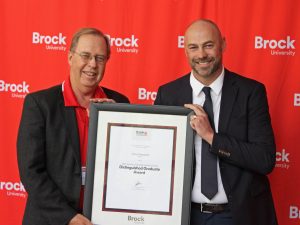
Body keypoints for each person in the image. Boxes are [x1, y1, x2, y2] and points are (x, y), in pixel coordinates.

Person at [154, 19, 278, 225]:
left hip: (237, 215)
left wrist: (211, 137)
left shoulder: (251, 92)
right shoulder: (168, 94)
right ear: (185, 51)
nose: (201, 55)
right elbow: (155, 154)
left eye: (208, 45)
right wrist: (115, 115)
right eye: (193, 47)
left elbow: (265, 159)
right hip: (184, 216)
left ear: (223, 45)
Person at [17, 28, 129, 225]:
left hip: (101, 219)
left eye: (100, 58)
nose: (92, 64)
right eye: (85, 56)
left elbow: (127, 163)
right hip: (50, 219)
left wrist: (118, 124)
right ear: (70, 57)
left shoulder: (119, 103)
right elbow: (31, 172)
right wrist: (68, 217)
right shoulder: (40, 104)